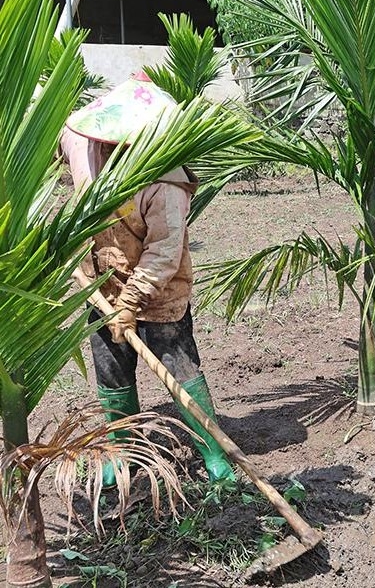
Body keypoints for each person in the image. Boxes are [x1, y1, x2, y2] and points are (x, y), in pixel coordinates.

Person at [61, 72, 235, 484]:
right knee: (111, 371)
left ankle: (214, 453)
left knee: (179, 368)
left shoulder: (165, 182)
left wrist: (130, 303)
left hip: (159, 293)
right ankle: (122, 453)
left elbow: (164, 252)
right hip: (101, 286)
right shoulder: (88, 149)